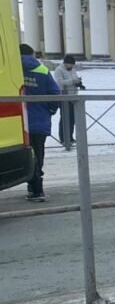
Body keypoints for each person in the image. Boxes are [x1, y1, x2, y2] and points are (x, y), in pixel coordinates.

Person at [20, 44, 60, 202]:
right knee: (38, 153)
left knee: (23, 153)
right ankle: (37, 189)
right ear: (32, 54)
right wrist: (50, 110)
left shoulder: (11, 69)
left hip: (17, 121)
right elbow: (55, 93)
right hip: (39, 120)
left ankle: (32, 186)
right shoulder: (42, 70)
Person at [53, 54, 84, 148]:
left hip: (73, 96)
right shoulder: (59, 70)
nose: (72, 67)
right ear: (65, 63)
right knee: (65, 117)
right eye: (70, 65)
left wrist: (79, 83)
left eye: (73, 65)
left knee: (72, 118)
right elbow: (59, 83)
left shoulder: (73, 70)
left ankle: (70, 137)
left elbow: (75, 78)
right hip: (64, 96)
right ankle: (63, 138)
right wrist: (72, 81)